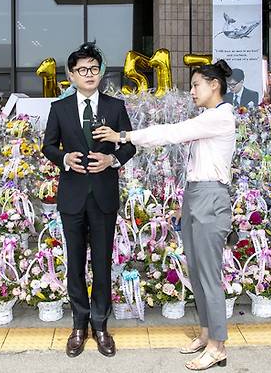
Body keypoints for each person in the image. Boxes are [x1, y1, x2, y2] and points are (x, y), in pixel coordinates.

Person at [93, 60, 236, 371]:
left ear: (214, 85)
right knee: (197, 272)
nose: (192, 91)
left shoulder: (220, 117)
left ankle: (218, 346)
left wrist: (124, 136)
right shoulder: (208, 117)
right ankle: (205, 334)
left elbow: (173, 133)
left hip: (211, 197)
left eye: (196, 84)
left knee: (209, 276)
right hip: (198, 195)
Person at [42, 42, 136, 358]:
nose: (89, 74)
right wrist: (64, 158)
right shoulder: (60, 108)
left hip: (104, 196)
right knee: (75, 265)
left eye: (94, 69)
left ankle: (100, 325)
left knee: (102, 262)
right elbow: (48, 146)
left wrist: (113, 161)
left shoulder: (114, 106)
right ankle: (79, 324)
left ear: (100, 72)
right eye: (82, 70)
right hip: (71, 197)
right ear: (71, 75)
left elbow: (129, 145)